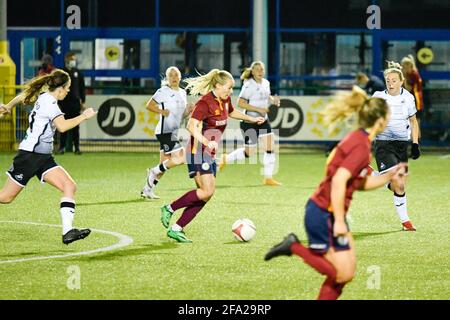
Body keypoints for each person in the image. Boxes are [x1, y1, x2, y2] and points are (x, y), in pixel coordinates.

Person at [264, 86, 408, 300]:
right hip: (322, 213)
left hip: (329, 213)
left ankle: (294, 246)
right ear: (380, 121)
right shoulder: (360, 145)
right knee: (339, 273)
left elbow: (356, 183)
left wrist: (389, 176)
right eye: (388, 115)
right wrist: (340, 220)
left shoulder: (361, 141)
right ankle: (293, 246)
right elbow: (340, 180)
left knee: (346, 274)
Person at [159, 69, 265, 243]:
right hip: (198, 151)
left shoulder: (224, 100)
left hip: (209, 152)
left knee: (206, 194)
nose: (231, 92)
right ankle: (169, 208)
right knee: (207, 191)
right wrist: (207, 143)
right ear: (218, 85)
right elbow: (191, 127)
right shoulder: (205, 103)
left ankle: (177, 228)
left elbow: (231, 112)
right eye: (229, 88)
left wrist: (251, 119)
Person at [0, 70, 97, 244]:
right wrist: (84, 116)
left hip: (43, 158)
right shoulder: (50, 104)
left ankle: (68, 232)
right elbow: (62, 126)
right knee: (5, 198)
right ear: (59, 89)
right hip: (29, 156)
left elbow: (23, 96)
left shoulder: (44, 96)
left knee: (69, 186)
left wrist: (8, 105)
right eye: (67, 88)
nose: (68, 91)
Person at [372, 61, 420, 231]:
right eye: (388, 80)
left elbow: (413, 122)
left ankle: (374, 176)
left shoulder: (408, 98)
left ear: (401, 81)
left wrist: (415, 144)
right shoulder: (378, 97)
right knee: (398, 182)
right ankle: (406, 221)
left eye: (394, 80)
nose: (390, 83)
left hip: (401, 145)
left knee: (399, 185)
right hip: (383, 144)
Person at [219, 61, 282, 186]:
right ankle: (226, 158)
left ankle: (268, 177)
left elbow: (266, 95)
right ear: (252, 72)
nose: (259, 71)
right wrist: (259, 109)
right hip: (249, 122)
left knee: (270, 147)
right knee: (249, 153)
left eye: (261, 69)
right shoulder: (248, 85)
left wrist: (272, 100)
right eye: (257, 69)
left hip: (263, 121)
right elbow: (240, 103)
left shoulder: (266, 83)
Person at [141, 66, 194, 199]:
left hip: (174, 131)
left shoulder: (182, 93)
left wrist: (188, 111)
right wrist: (161, 111)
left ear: (180, 77)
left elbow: (181, 116)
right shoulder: (163, 91)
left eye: (176, 75)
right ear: (167, 78)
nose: (174, 78)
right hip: (165, 131)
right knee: (181, 158)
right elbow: (149, 105)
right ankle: (153, 171)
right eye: (171, 75)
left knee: (164, 165)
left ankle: (147, 190)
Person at [58, 52, 86, 155]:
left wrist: (82, 101)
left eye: (74, 59)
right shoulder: (62, 73)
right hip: (64, 103)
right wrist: (58, 103)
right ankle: (62, 148)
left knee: (76, 127)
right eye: (71, 59)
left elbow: (82, 88)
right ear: (66, 60)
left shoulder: (78, 73)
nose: (73, 61)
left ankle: (77, 148)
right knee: (63, 126)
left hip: (75, 104)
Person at [401, 54, 424, 138]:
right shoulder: (414, 72)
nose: (403, 69)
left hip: (416, 103)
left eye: (404, 67)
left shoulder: (413, 75)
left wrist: (404, 79)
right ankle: (414, 142)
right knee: (413, 123)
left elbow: (408, 89)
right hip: (412, 102)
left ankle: (416, 143)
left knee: (415, 123)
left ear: (408, 66)